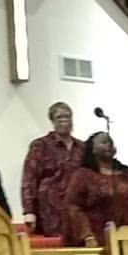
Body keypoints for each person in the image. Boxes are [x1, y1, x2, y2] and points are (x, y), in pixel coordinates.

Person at [64, 131, 128, 246]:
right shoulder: (83, 174)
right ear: (92, 149)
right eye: (103, 142)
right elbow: (73, 207)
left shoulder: (127, 172)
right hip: (99, 240)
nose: (109, 145)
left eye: (111, 142)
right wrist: (86, 235)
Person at [20, 101, 83, 237]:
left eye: (67, 116)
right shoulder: (40, 145)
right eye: (59, 117)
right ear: (52, 121)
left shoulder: (82, 147)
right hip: (49, 211)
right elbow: (29, 178)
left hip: (77, 208)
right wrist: (28, 211)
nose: (64, 121)